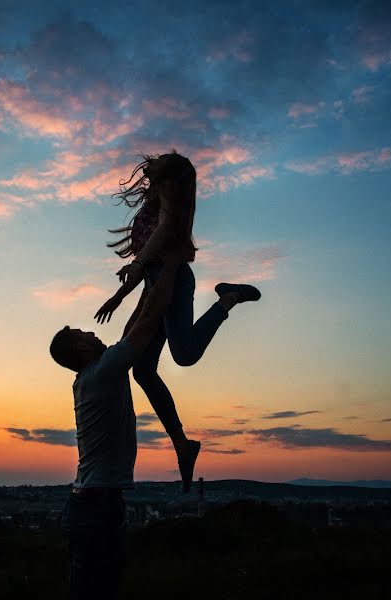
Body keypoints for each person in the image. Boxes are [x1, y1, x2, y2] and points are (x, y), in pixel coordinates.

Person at [94, 151, 261, 492]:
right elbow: (147, 262)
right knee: (140, 369)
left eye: (161, 163)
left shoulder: (171, 198)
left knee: (184, 355)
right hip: (155, 284)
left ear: (170, 177)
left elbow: (163, 238)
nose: (151, 162)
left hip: (173, 281)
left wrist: (139, 266)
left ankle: (228, 299)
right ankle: (183, 444)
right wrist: (120, 295)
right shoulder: (155, 198)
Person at [50, 252, 182, 600]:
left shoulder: (96, 374)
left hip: (95, 507)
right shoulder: (105, 371)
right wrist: (171, 264)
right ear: (80, 347)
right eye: (85, 332)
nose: (93, 332)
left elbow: (131, 327)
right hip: (95, 510)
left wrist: (147, 282)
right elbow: (148, 321)